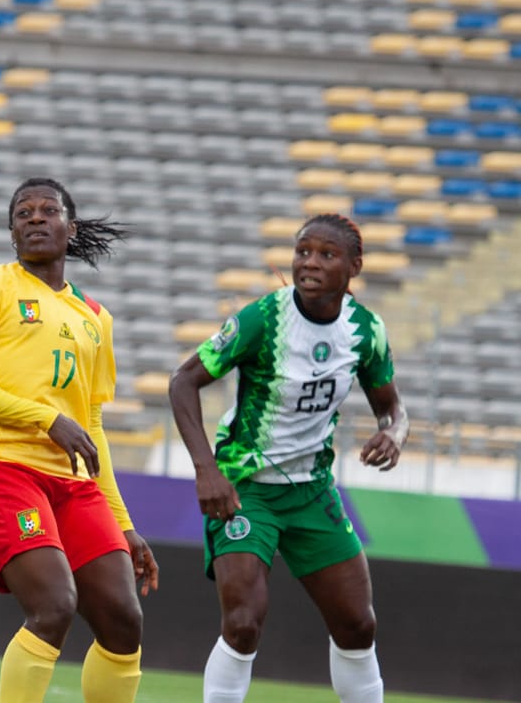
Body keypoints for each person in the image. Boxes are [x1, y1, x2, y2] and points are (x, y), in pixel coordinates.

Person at [167, 213, 409, 703]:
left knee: (358, 624)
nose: (310, 263)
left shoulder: (366, 331)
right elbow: (183, 381)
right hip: (244, 489)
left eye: (326, 254)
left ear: (354, 266)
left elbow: (392, 407)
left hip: (311, 491)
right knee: (243, 623)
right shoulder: (263, 319)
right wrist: (206, 470)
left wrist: (395, 433)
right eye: (302, 252)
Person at [0, 177, 159, 703]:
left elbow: (93, 427)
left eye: (48, 210)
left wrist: (124, 525)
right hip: (1, 468)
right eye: (23, 213)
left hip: (74, 484)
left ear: (70, 227)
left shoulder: (95, 320)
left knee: (124, 620)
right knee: (54, 607)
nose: (35, 218)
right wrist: (45, 419)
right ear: (11, 232)